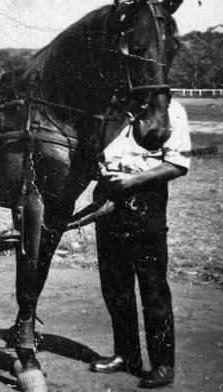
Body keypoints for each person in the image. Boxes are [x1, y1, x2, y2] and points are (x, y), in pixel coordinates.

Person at [89, 98, 191, 389]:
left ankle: (162, 365)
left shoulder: (172, 111)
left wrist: (134, 181)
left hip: (145, 200)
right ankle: (126, 355)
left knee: (153, 287)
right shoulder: (112, 108)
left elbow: (177, 164)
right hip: (108, 199)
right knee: (115, 286)